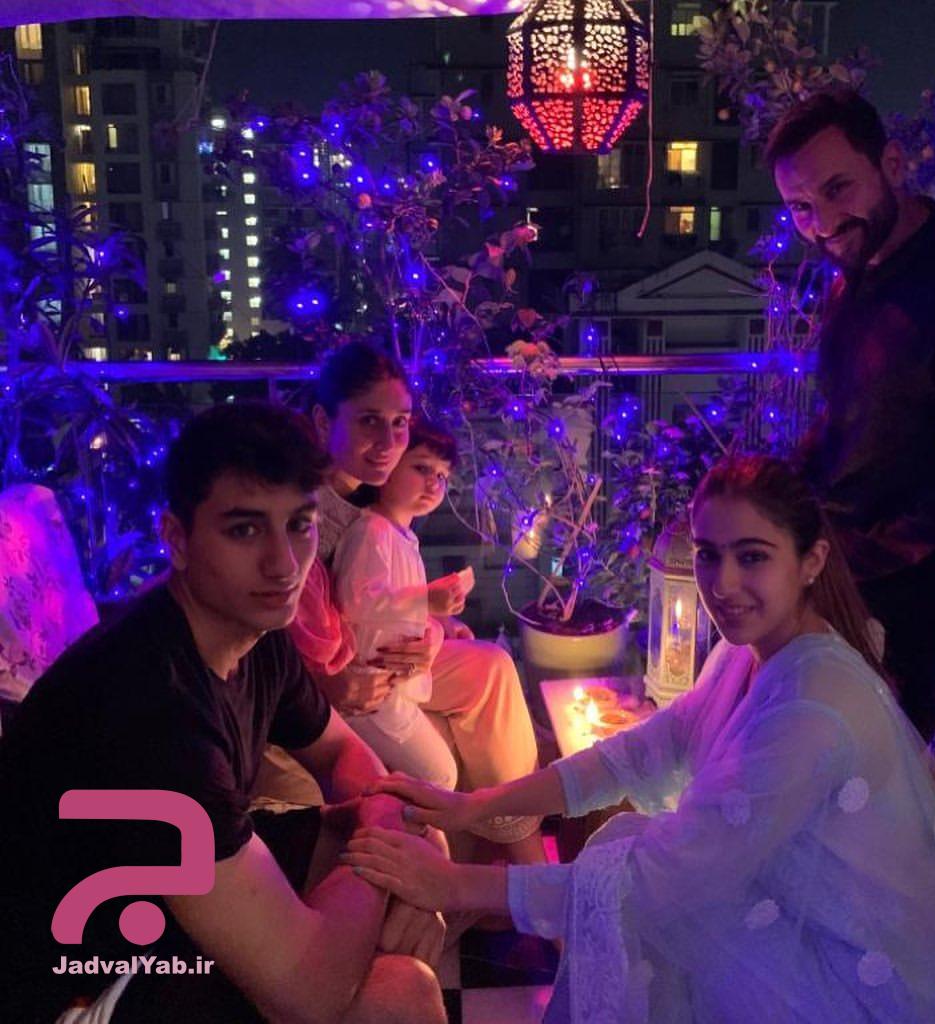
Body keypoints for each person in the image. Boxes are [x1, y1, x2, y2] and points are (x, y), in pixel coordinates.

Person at [342, 455, 935, 1024]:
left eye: (752, 557)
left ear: (811, 561)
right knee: (625, 862)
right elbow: (644, 751)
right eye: (707, 555)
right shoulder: (748, 651)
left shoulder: (815, 705)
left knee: (636, 880)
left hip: (863, 978)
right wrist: (476, 806)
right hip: (797, 921)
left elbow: (666, 878)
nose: (722, 585)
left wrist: (454, 884)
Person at [0, 402, 446, 1024]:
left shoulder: (252, 633)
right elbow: (309, 996)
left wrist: (393, 831)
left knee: (415, 843)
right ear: (177, 540)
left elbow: (342, 751)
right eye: (244, 530)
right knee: (399, 991)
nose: (283, 564)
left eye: (299, 525)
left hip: (162, 903)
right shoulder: (149, 709)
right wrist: (388, 847)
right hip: (77, 982)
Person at [262, 339, 545, 863]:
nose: (388, 441)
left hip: (380, 651)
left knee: (493, 668)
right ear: (324, 422)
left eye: (399, 423)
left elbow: (383, 584)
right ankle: (510, 865)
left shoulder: (364, 496)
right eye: (368, 421)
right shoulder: (300, 506)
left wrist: (433, 630)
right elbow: (275, 622)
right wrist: (324, 683)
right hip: (335, 672)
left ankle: (516, 841)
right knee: (452, 737)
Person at [763, 87, 935, 740]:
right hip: (836, 572)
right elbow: (848, 415)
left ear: (893, 163)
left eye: (837, 189)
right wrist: (777, 497)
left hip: (903, 605)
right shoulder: (858, 271)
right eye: (801, 208)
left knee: (861, 773)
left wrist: (857, 559)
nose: (823, 223)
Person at [301, 416, 471, 791]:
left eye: (442, 476)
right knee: (441, 774)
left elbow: (398, 607)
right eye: (422, 468)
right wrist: (426, 600)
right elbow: (357, 601)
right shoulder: (371, 530)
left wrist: (434, 625)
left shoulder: (402, 536)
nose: (434, 483)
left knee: (442, 768)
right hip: (373, 687)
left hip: (395, 683)